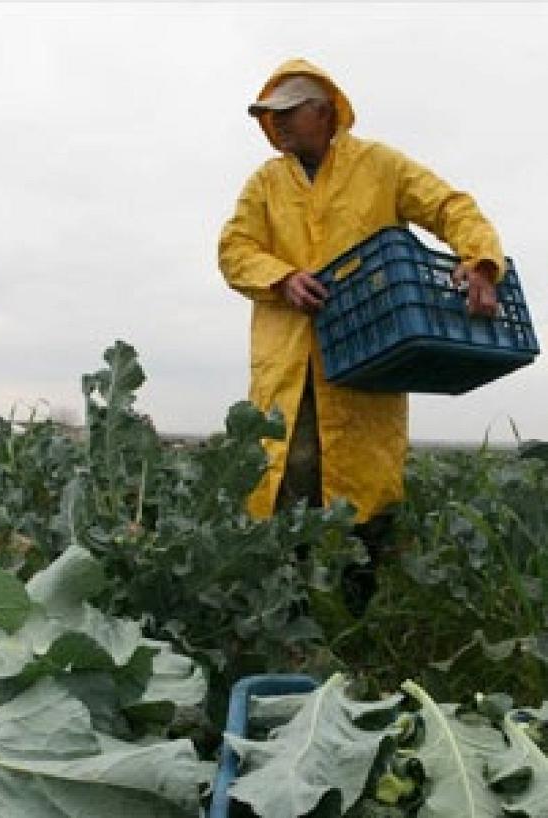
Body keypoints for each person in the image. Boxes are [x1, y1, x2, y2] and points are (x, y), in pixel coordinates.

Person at [218, 58, 504, 612]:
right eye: (268, 118)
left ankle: (355, 625)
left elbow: (451, 207)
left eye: (287, 115)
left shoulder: (380, 166)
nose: (275, 126)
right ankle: (284, 622)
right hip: (288, 367)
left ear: (323, 113)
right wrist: (280, 278)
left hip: (368, 357)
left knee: (364, 493)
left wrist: (482, 262)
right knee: (287, 480)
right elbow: (234, 250)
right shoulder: (264, 184)